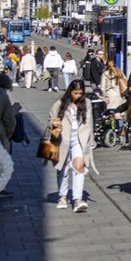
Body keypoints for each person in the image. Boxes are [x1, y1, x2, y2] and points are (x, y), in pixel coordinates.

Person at [49, 80, 96, 213]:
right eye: (75, 93)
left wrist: (91, 141)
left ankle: (77, 199)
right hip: (62, 140)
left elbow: (90, 122)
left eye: (81, 93)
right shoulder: (59, 104)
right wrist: (54, 123)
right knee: (62, 169)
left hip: (79, 139)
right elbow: (50, 120)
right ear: (70, 91)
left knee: (79, 167)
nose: (78, 96)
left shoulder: (86, 103)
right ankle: (62, 196)